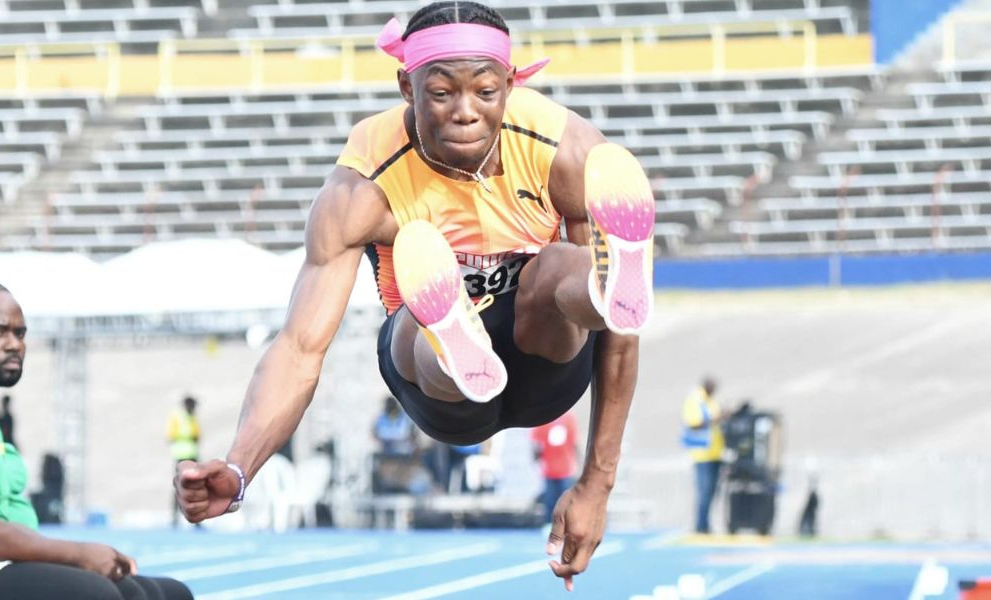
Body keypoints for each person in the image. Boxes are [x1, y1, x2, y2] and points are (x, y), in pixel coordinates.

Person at [174, 2, 654, 591]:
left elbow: (621, 335)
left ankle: (604, 278)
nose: (466, 113)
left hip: (546, 357)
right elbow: (301, 347)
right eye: (442, 93)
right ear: (407, 85)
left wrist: (597, 483)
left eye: (485, 92)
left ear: (509, 84)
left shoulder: (566, 150)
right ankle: (452, 333)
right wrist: (241, 465)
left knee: (556, 268)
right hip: (442, 394)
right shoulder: (361, 185)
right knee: (414, 329)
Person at [0, 278, 193, 600]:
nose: (13, 344)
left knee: (166, 592)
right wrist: (77, 553)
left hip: (1, 563)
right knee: (98, 593)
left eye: (20, 333)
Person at [681, 376, 726, 535]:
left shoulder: (711, 401)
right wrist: (716, 418)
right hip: (702, 454)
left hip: (715, 453)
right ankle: (701, 525)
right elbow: (693, 423)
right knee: (705, 490)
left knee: (713, 492)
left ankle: (706, 523)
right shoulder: (695, 399)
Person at [531, 410, 580, 526]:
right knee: (551, 500)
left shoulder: (569, 419)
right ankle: (551, 524)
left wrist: (579, 463)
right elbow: (536, 446)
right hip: (550, 469)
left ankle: (564, 525)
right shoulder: (543, 420)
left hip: (565, 469)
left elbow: (575, 443)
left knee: (563, 501)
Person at [165, 395, 199, 528]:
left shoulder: (193, 418)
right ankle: (175, 518)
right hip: (180, 457)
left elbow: (198, 437)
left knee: (196, 488)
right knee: (179, 487)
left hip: (193, 456)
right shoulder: (178, 418)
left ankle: (196, 519)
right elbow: (170, 436)